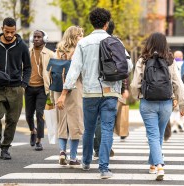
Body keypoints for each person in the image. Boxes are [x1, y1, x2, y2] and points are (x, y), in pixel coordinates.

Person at [56, 8, 133, 179]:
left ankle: (85, 162)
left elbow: (74, 70)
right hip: (111, 92)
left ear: (92, 23)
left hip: (89, 92)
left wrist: (63, 93)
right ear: (107, 24)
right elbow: (128, 66)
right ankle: (104, 168)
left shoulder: (83, 43)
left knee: (89, 129)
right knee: (106, 129)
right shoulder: (116, 42)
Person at [130, 32, 184, 181]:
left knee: (153, 135)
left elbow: (135, 82)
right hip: (166, 103)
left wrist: (137, 96)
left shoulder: (143, 59)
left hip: (148, 102)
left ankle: (159, 165)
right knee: (158, 135)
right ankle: (153, 164)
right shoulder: (169, 59)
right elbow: (177, 82)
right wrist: (181, 104)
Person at [0, 17, 31, 159]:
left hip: (16, 88)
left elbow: (27, 68)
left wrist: (24, 84)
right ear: (2, 29)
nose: (9, 35)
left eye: (12, 32)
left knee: (12, 120)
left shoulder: (21, 46)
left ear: (15, 31)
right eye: (7, 31)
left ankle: (5, 148)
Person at [93, 20, 130, 158]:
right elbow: (127, 66)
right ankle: (105, 150)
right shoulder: (116, 43)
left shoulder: (87, 41)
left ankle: (97, 149)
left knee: (96, 119)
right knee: (107, 120)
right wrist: (124, 87)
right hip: (111, 86)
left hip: (92, 87)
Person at [53, 26, 84, 166]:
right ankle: (73, 156)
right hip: (75, 88)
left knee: (62, 121)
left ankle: (61, 152)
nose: (82, 37)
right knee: (75, 122)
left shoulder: (58, 51)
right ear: (74, 36)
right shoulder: (78, 51)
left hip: (58, 89)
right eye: (80, 35)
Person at [26, 30, 54, 151]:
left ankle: (38, 140)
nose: (36, 39)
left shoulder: (50, 54)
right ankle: (33, 130)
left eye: (39, 37)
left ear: (44, 39)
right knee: (28, 115)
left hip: (42, 88)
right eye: (35, 37)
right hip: (28, 87)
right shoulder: (27, 52)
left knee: (39, 113)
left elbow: (54, 71)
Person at [171, 50, 184, 133]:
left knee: (174, 109)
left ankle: (175, 126)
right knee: (182, 107)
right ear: (182, 57)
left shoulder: (171, 64)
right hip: (182, 89)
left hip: (174, 89)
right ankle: (181, 123)